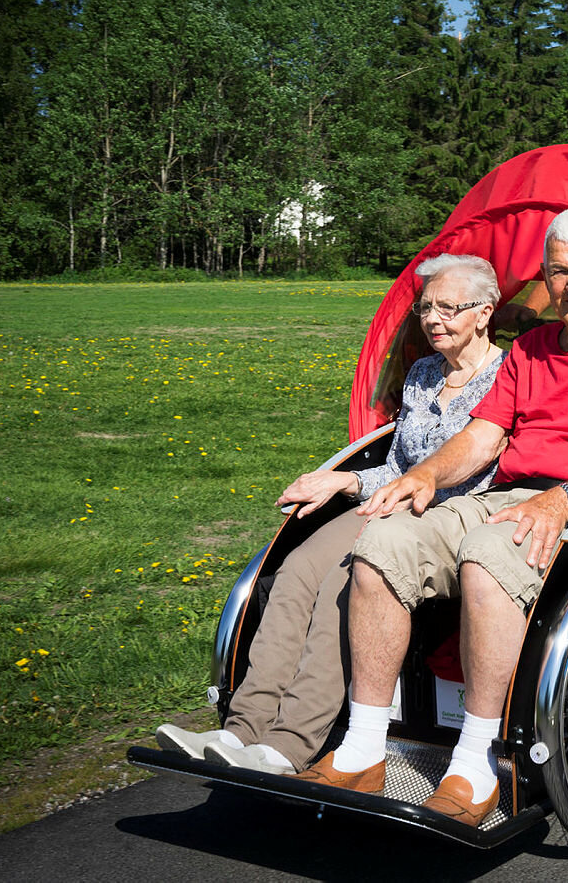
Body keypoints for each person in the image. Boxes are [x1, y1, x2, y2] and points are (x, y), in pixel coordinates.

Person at [295, 207, 568, 828]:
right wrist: (422, 474)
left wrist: (565, 500)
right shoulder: (528, 349)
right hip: (505, 495)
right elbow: (482, 437)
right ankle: (365, 747)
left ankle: (476, 760)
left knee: (487, 557)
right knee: (383, 542)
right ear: (544, 279)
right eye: (558, 272)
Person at [154, 254, 506, 775]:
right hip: (390, 502)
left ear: (484, 312)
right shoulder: (423, 373)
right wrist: (346, 480)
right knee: (294, 572)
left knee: (340, 588)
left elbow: (482, 468)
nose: (433, 319)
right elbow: (397, 464)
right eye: (425, 307)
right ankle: (241, 730)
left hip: (446, 517)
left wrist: (406, 490)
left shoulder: (507, 376)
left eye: (449, 308)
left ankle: (289, 744)